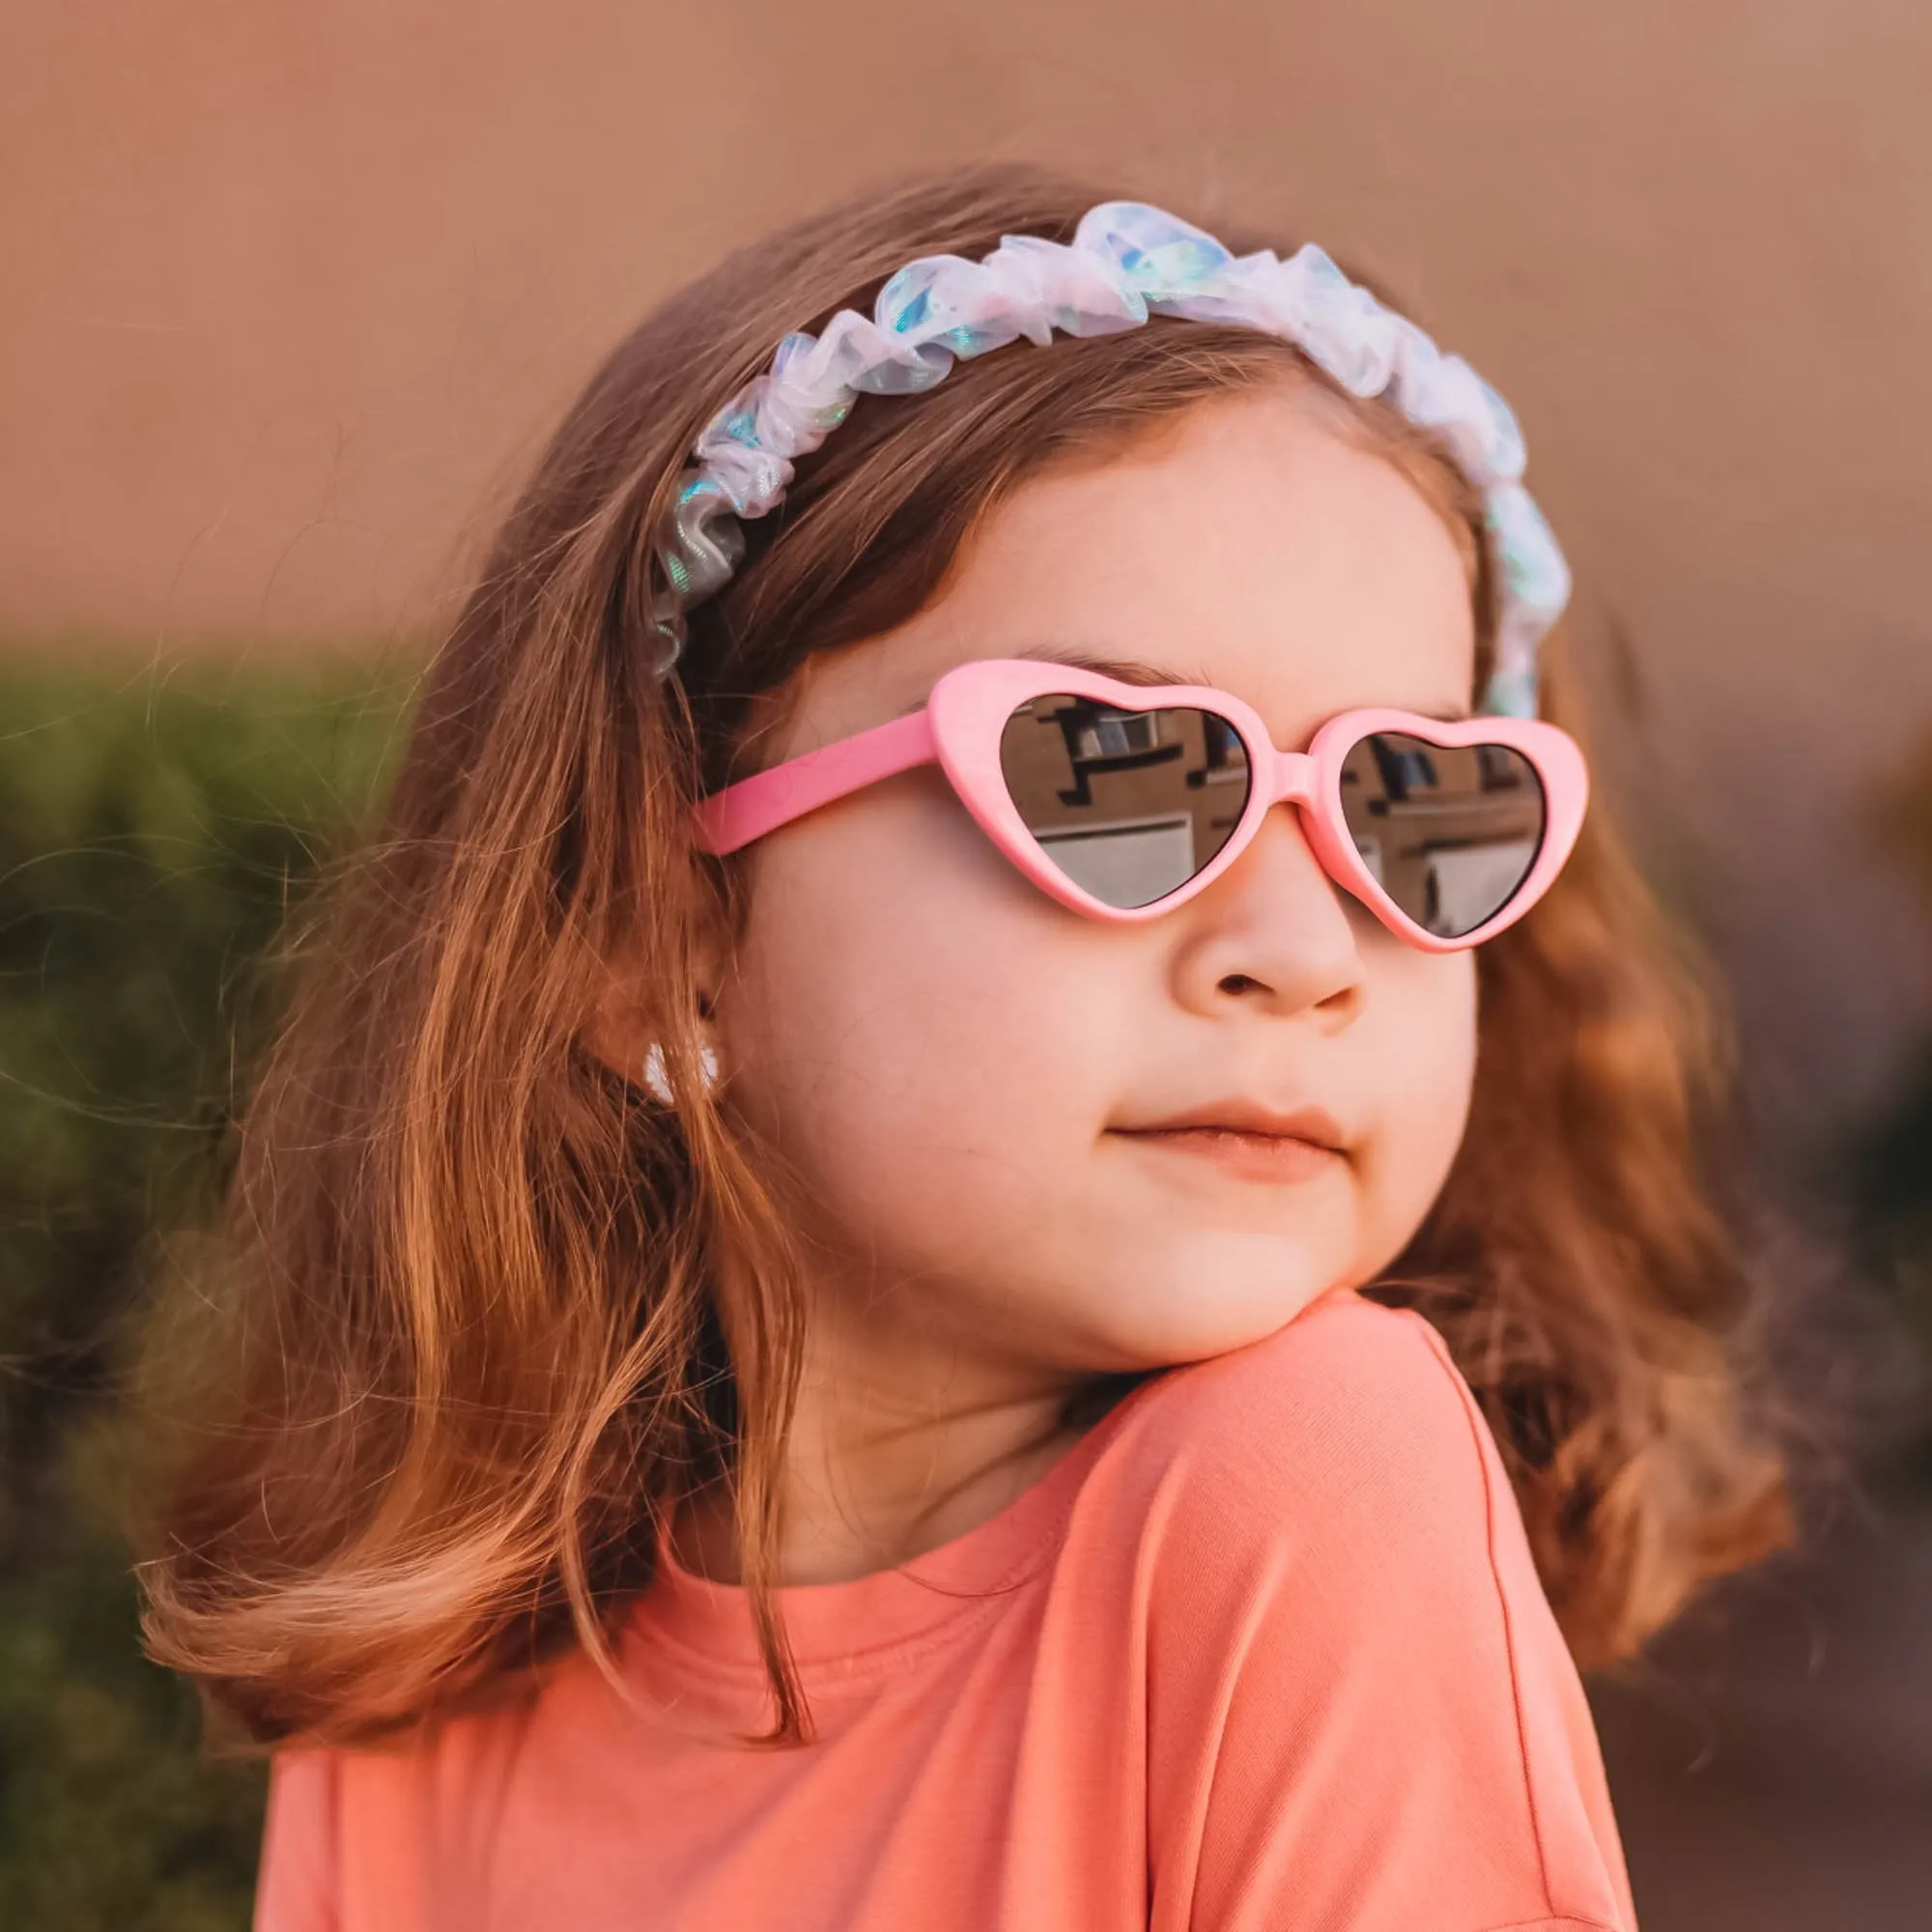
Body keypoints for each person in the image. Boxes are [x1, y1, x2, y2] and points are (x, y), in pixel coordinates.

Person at [138, 165, 1792, 1931]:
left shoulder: (1305, 1478)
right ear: (656, 942)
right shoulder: (427, 1684)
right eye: (1116, 773)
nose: (1307, 951)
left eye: (1417, 803)